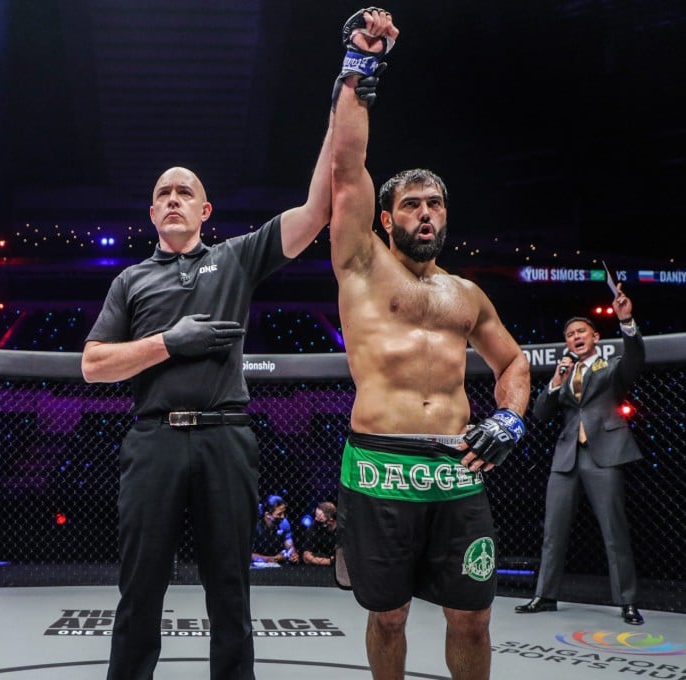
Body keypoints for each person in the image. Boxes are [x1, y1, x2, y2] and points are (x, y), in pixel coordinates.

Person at [79, 24, 393, 672]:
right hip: (153, 439)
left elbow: (317, 209)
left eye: (184, 192)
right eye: (162, 193)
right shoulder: (130, 280)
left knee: (231, 591)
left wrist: (346, 88)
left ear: (205, 210)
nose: (172, 199)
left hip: (226, 437)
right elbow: (93, 365)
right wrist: (170, 343)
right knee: (139, 590)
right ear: (151, 214)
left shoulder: (236, 257)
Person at [328, 8, 530, 680]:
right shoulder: (361, 264)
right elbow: (346, 166)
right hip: (379, 466)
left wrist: (509, 417)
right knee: (387, 616)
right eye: (412, 203)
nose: (425, 213)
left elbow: (513, 362)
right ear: (386, 218)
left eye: (435, 203)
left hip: (455, 469)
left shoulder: (466, 294)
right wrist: (361, 66)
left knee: (472, 618)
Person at [515, 287, 645, 625]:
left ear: (595, 337)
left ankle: (627, 602)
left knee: (614, 530)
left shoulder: (611, 367)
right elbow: (541, 413)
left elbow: (635, 357)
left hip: (604, 454)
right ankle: (545, 595)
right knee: (553, 530)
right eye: (570, 334)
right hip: (566, 457)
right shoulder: (566, 373)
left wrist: (626, 321)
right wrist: (555, 380)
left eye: (581, 332)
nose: (576, 337)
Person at [251, 495, 299, 565]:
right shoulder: (254, 525)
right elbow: (246, 554)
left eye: (284, 513)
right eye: (279, 514)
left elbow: (290, 546)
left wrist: (293, 554)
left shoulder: (284, 523)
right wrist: (270, 559)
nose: (283, 517)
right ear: (268, 515)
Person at [301, 501, 337, 567]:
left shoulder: (342, 532)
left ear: (330, 521)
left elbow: (339, 561)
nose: (316, 519)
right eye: (316, 516)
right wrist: (329, 561)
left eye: (320, 519)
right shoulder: (313, 528)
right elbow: (306, 557)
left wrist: (313, 559)